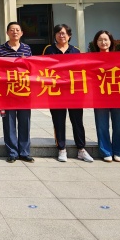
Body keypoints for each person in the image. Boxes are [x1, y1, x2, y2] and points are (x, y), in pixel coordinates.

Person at [43, 24, 94, 163]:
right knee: (58, 121)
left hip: (74, 92)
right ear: (55, 35)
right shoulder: (49, 49)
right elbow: (42, 68)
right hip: (56, 92)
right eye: (59, 33)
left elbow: (82, 70)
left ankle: (81, 149)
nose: (61, 35)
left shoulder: (75, 51)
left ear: (69, 36)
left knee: (77, 120)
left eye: (64, 33)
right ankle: (61, 149)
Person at [0, 22, 34, 163]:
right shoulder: (0, 50)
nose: (15, 32)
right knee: (9, 123)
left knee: (25, 122)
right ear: (7, 33)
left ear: (21, 33)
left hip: (24, 91)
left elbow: (32, 69)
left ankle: (24, 152)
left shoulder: (27, 49)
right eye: (12, 30)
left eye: (17, 30)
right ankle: (12, 152)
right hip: (7, 92)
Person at [91, 30, 120, 163]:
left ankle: (119, 151)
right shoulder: (91, 58)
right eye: (100, 40)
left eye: (106, 39)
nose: (103, 42)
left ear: (111, 41)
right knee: (102, 125)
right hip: (99, 95)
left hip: (118, 95)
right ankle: (105, 151)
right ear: (96, 42)